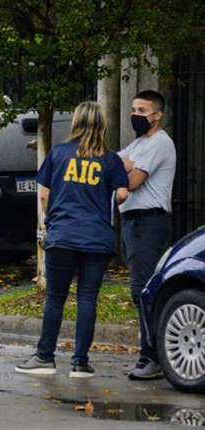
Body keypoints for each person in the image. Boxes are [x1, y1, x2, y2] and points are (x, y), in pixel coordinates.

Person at [15, 102, 129, 378]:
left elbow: (43, 193)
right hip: (97, 238)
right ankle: (80, 362)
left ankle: (45, 357)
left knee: (56, 297)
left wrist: (50, 218)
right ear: (101, 124)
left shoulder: (59, 154)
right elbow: (123, 194)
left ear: (76, 122)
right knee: (88, 297)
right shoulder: (110, 160)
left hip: (63, 235)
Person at [119, 90, 177, 381]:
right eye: (134, 109)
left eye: (142, 111)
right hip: (133, 222)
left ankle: (151, 357)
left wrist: (125, 170)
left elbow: (132, 181)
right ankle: (150, 353)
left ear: (157, 115)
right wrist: (122, 167)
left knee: (144, 290)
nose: (136, 115)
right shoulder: (140, 143)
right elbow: (115, 165)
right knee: (138, 290)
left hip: (148, 222)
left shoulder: (158, 143)